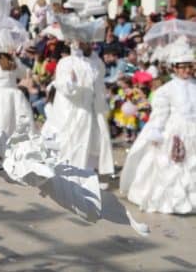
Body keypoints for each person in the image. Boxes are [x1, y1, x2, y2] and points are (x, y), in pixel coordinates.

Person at [120, 40, 195, 213]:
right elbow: (160, 115)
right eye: (182, 67)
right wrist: (156, 133)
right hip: (175, 133)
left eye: (189, 66)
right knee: (173, 169)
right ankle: (173, 202)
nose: (186, 70)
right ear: (174, 68)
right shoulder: (166, 90)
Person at [44, 17, 114, 176]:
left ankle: (85, 171)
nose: (89, 44)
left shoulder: (94, 62)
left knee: (90, 142)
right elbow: (64, 87)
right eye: (84, 41)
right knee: (71, 140)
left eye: (89, 41)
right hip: (72, 109)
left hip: (90, 108)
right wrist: (72, 82)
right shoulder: (66, 63)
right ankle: (68, 170)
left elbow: (98, 78)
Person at [0, 28, 35, 142]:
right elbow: (25, 73)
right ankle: (11, 142)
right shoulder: (14, 64)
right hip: (13, 94)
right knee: (12, 120)